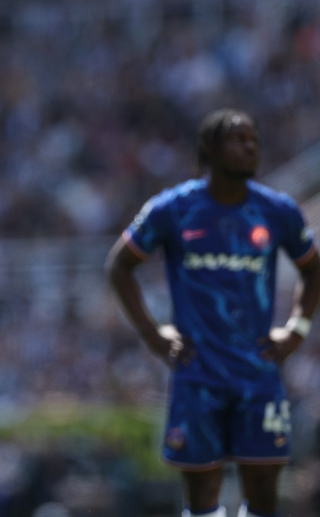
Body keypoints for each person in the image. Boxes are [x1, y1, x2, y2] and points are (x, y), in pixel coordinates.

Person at [106, 108, 320, 517]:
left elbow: (313, 270)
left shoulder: (277, 211)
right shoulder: (173, 209)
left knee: (264, 491)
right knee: (202, 493)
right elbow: (120, 265)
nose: (249, 146)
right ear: (209, 149)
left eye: (253, 139)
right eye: (238, 139)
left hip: (258, 373)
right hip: (197, 374)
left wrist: (297, 328)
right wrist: (153, 334)